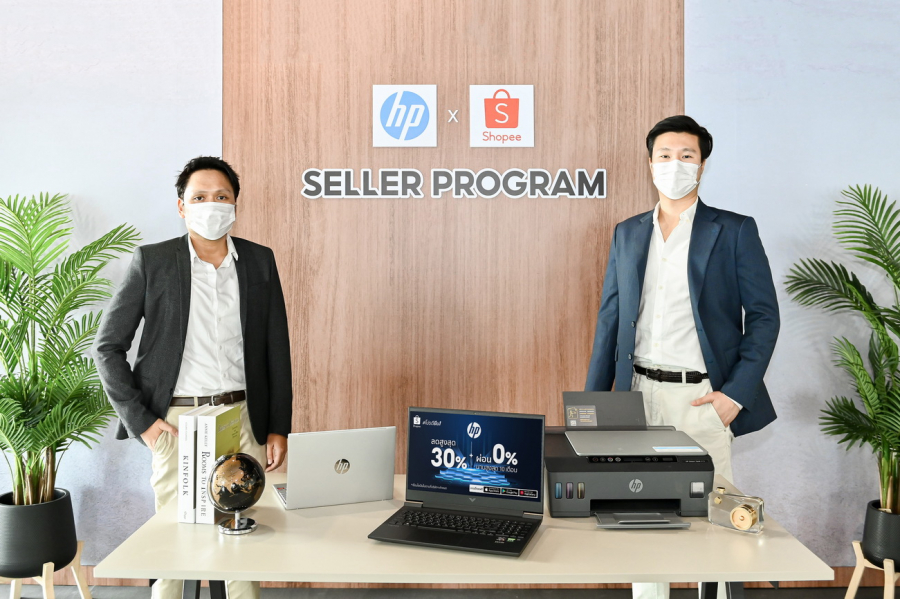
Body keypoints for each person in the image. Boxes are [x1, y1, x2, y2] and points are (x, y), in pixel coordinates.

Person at [584, 116, 779, 599]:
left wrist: (734, 396)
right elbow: (610, 321)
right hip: (638, 400)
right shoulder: (628, 232)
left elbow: (764, 317)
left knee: (718, 528)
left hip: (702, 401)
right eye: (665, 156)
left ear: (702, 165)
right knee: (641, 524)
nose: (675, 164)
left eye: (686, 156)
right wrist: (592, 409)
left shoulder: (733, 230)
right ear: (650, 164)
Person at [93, 156, 292, 599]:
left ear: (235, 204)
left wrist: (278, 426)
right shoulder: (154, 261)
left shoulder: (259, 261)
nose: (211, 204)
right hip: (178, 424)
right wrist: (142, 422)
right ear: (182, 206)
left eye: (221, 196)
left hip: (243, 418)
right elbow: (106, 347)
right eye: (199, 197)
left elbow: (276, 350)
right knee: (174, 543)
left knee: (244, 539)